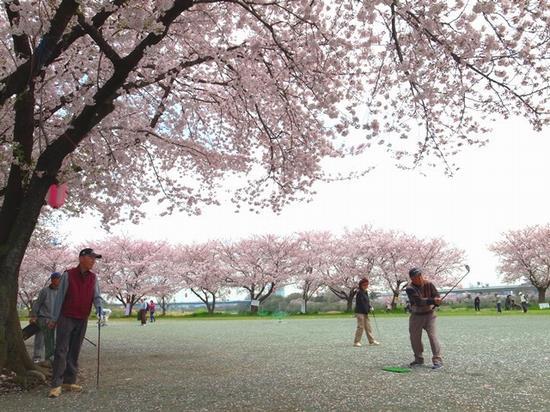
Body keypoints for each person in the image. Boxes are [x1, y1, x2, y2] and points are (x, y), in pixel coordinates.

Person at [47, 248, 103, 398]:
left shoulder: (93, 277)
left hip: (82, 318)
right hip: (66, 316)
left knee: (75, 350)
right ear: (81, 258)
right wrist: (54, 318)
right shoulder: (68, 275)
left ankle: (69, 381)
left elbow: (96, 296)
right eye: (91, 258)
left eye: (94, 259)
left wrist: (99, 308)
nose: (93, 261)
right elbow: (59, 298)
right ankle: (56, 384)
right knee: (61, 350)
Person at [405, 267, 443, 370]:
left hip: (430, 315)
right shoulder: (409, 288)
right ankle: (418, 359)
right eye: (416, 277)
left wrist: (438, 301)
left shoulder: (429, 284)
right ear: (412, 279)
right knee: (415, 338)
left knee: (433, 337)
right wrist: (434, 300)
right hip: (416, 316)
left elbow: (436, 295)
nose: (419, 278)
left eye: (420, 276)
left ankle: (437, 360)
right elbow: (419, 301)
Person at [29, 272, 61, 364]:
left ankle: (50, 359)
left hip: (54, 319)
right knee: (40, 339)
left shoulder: (61, 292)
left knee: (52, 339)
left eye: (59, 279)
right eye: (56, 278)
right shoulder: (45, 291)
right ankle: (37, 357)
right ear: (52, 280)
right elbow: (37, 303)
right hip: (43, 318)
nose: (57, 280)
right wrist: (34, 316)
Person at [353, 278, 380, 347]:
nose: (366, 286)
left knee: (368, 327)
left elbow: (367, 302)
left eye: (367, 284)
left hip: (365, 312)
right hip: (360, 312)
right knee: (360, 327)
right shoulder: (359, 292)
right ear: (361, 285)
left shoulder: (365, 292)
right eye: (365, 284)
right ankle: (356, 342)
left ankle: (371, 341)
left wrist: (370, 307)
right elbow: (362, 303)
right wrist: (368, 309)